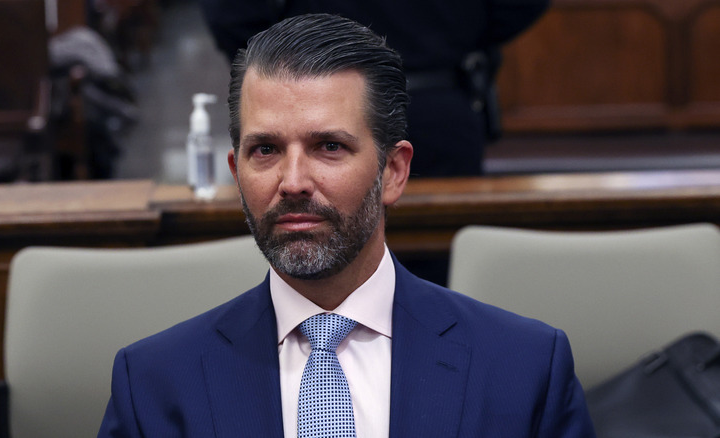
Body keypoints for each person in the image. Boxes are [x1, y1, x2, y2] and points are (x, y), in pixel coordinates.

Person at [97, 13, 595, 437]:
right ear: (236, 171)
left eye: (329, 147)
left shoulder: (523, 369)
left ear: (393, 172)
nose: (292, 181)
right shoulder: (154, 385)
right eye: (265, 150)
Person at [200, 0, 549, 177]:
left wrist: (290, 58)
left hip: (316, 105)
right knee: (439, 279)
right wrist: (457, 36)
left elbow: (231, 16)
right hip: (437, 101)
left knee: (316, 264)